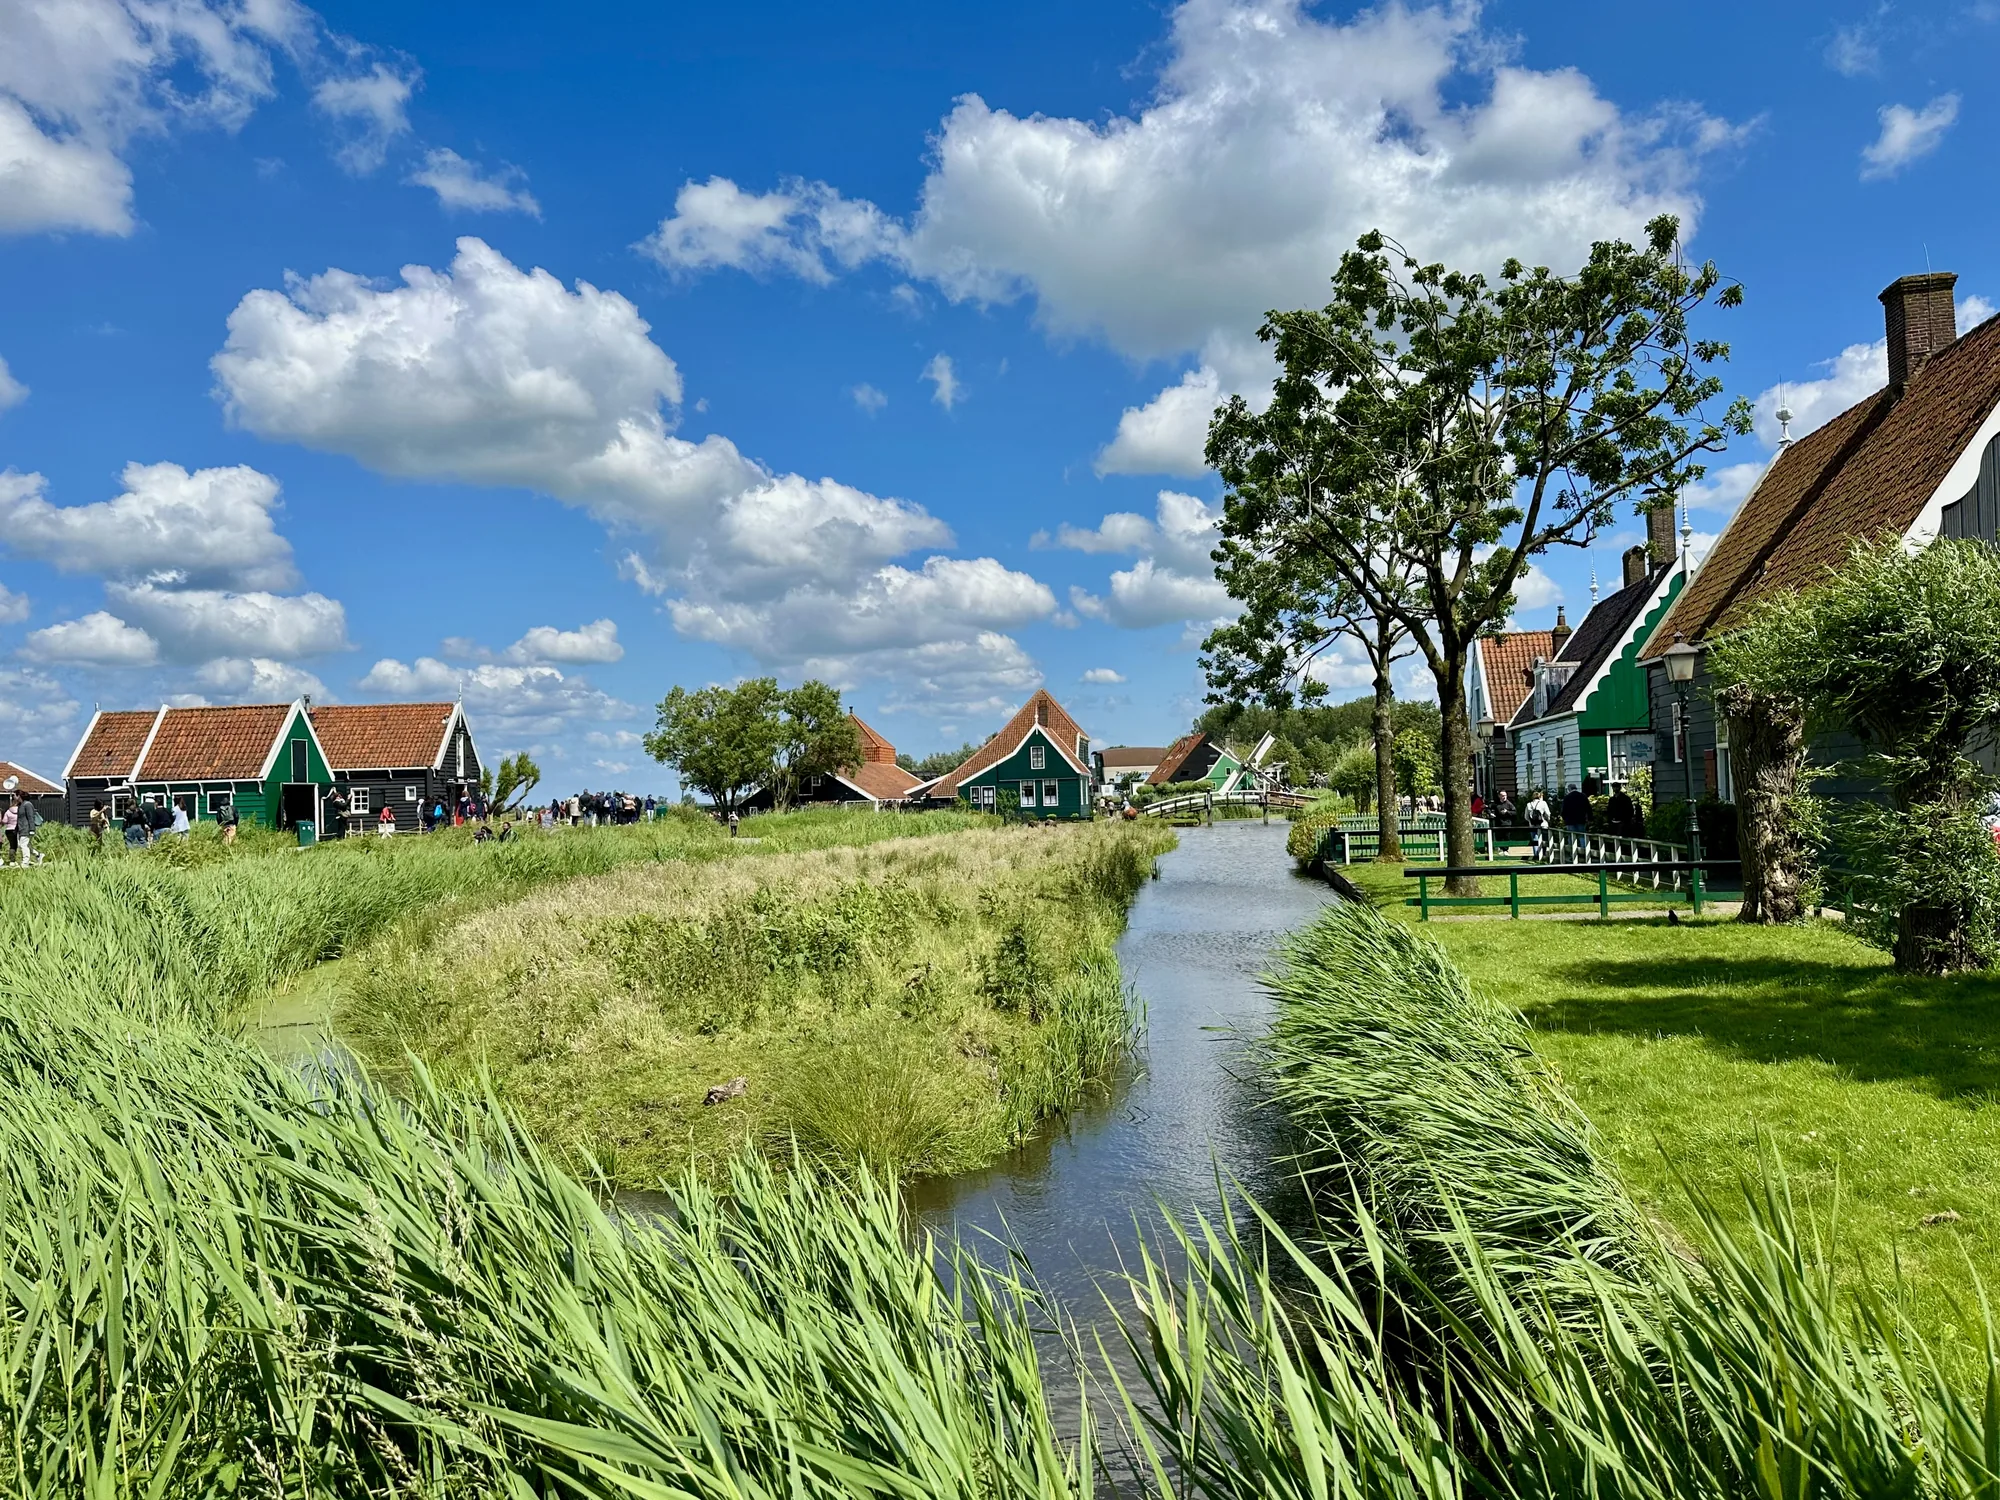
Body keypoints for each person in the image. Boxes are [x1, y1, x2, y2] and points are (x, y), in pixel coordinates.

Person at [1524, 788, 1551, 857]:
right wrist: (1547, 820)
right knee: (1544, 840)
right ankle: (1543, 854)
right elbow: (1548, 814)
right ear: (1540, 796)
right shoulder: (1543, 803)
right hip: (1543, 824)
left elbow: (1526, 816)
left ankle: (1536, 855)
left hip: (1533, 825)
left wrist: (1530, 821)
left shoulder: (1528, 804)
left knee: (1535, 839)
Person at [15, 793, 41, 867]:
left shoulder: (27, 804)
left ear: (19, 796)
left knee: (24, 845)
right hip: (21, 828)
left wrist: (32, 829)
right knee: (23, 845)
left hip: (26, 828)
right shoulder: (20, 805)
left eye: (15, 795)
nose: (14, 797)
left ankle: (25, 861)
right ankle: (38, 855)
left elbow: (30, 817)